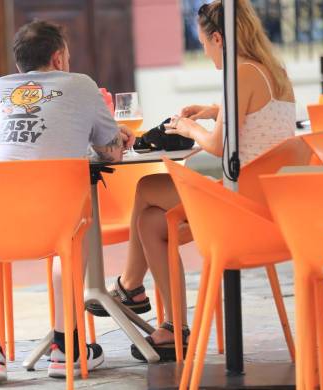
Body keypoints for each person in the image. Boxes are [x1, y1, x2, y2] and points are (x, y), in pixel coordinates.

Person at [86, 0, 296, 362]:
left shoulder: (241, 73)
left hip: (242, 205)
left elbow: (218, 147)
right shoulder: (270, 71)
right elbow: (257, 119)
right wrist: (212, 110)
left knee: (147, 188)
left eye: (203, 43)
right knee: (150, 221)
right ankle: (172, 328)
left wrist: (188, 126)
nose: (205, 51)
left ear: (217, 37)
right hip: (268, 202)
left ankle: (131, 286)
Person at [0, 20, 135, 383]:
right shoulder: (81, 85)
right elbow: (111, 156)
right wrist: (117, 140)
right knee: (72, 237)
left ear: (19, 65)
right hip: (53, 223)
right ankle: (66, 349)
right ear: (59, 57)